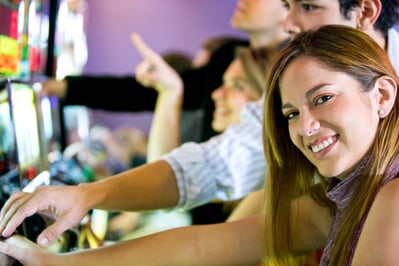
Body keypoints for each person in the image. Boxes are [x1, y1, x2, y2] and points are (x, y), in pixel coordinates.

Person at [1, 24, 398, 265]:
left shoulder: (393, 196)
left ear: (382, 96)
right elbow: (203, 248)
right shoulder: (339, 196)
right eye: (291, 113)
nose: (306, 127)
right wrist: (65, 261)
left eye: (323, 98)